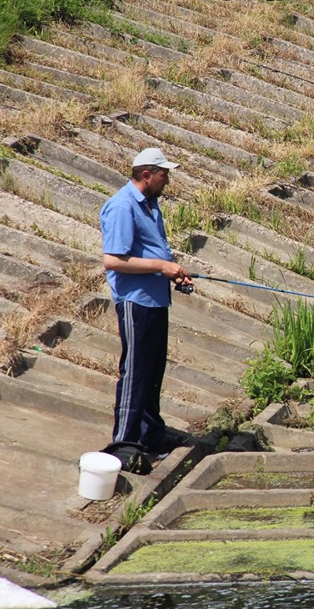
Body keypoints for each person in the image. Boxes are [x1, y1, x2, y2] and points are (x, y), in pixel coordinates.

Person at [100, 147, 192, 459]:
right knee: (136, 371)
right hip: (135, 301)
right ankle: (123, 442)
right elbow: (113, 260)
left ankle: (151, 435)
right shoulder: (123, 206)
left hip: (156, 300)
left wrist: (173, 272)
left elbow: (153, 253)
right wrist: (161, 267)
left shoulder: (151, 205)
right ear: (146, 174)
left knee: (154, 370)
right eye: (164, 175)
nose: (168, 181)